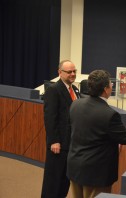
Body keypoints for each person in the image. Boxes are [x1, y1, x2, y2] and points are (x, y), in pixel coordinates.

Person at [67, 70, 126, 198]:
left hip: (75, 166)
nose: (112, 86)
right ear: (106, 89)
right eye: (111, 84)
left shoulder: (75, 104)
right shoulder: (109, 114)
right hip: (96, 173)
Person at [41, 60, 80, 198]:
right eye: (69, 72)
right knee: (53, 183)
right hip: (59, 144)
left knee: (64, 182)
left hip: (71, 144)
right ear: (59, 72)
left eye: (74, 71)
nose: (72, 74)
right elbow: (50, 118)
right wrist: (54, 141)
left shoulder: (75, 89)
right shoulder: (53, 90)